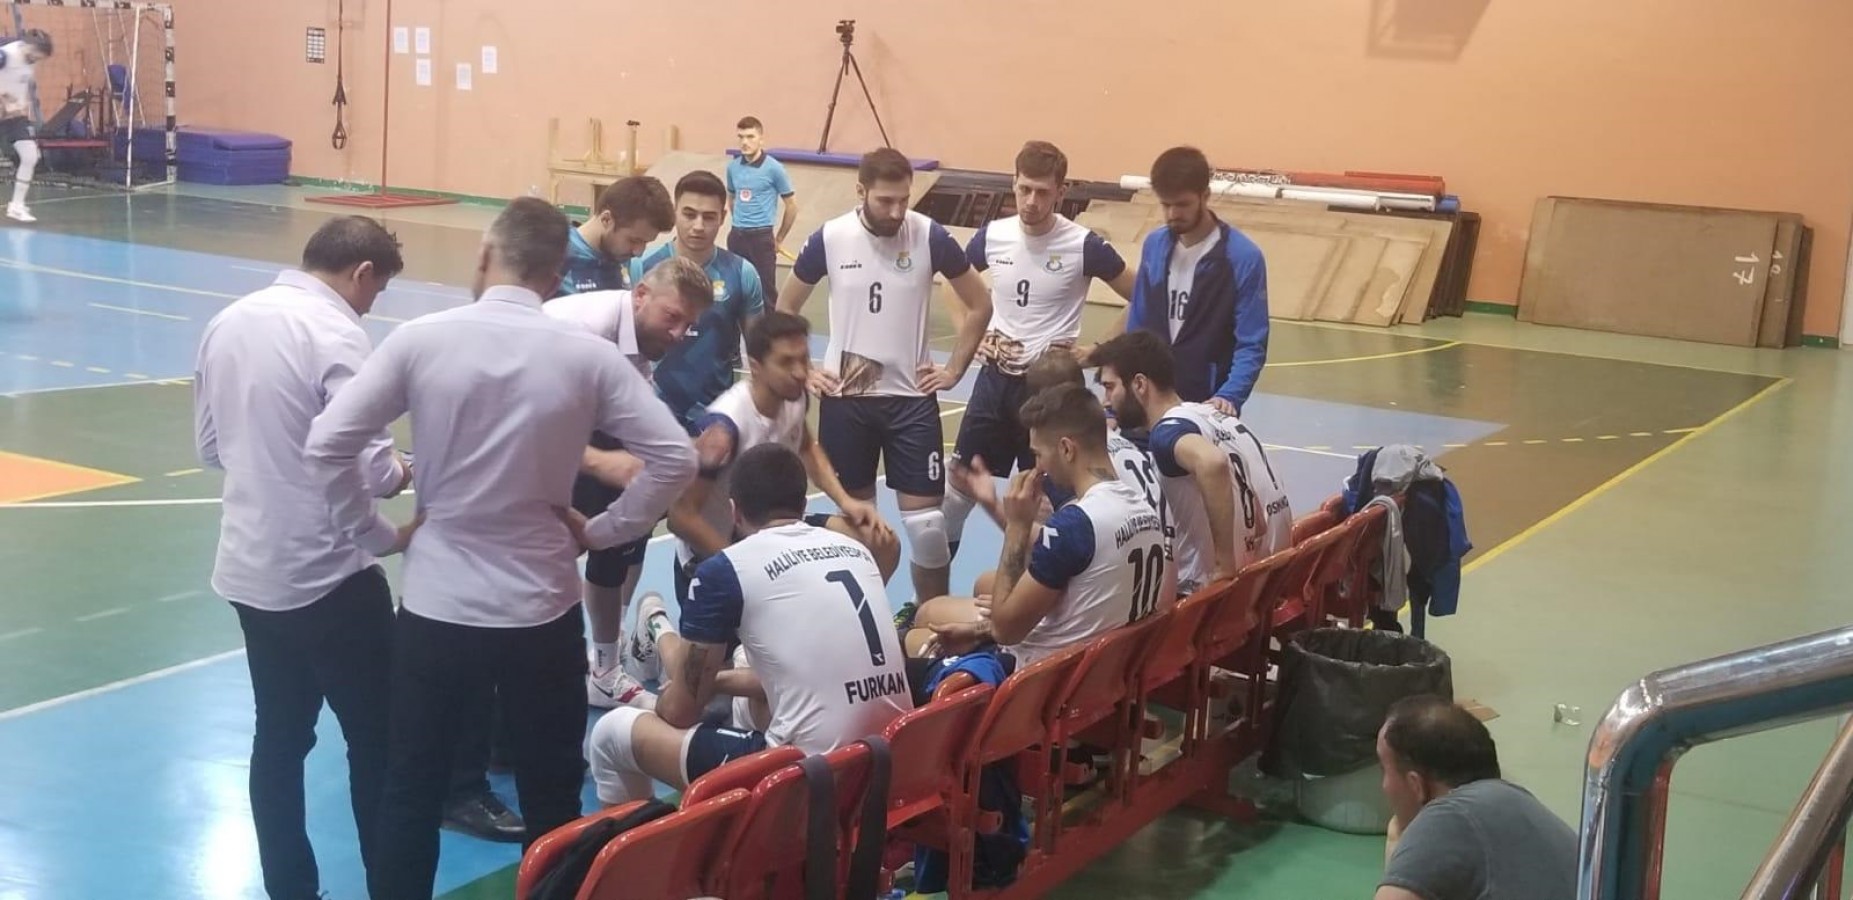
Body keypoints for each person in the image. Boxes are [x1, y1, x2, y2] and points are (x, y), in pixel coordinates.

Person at [303, 197, 698, 900]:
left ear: (486, 255)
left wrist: (374, 534)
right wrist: (603, 530)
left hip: (437, 609)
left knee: (411, 791)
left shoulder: (421, 339)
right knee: (552, 798)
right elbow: (675, 457)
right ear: (556, 274)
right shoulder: (586, 356)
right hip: (540, 613)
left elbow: (327, 444)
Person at [193, 216, 413, 900]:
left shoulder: (228, 321)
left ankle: (290, 889)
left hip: (251, 570)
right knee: (378, 742)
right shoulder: (337, 333)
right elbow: (374, 469)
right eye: (376, 291)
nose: (370, 306)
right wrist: (408, 470)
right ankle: (390, 888)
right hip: (330, 575)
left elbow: (209, 447)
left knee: (279, 741)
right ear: (362, 273)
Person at [586, 443, 913, 806]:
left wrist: (675, 694)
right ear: (802, 505)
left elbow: (680, 711)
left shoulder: (725, 570)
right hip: (894, 764)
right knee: (748, 684)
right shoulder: (857, 550)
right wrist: (718, 681)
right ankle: (656, 622)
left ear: (734, 512)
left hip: (807, 784)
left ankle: (655, 622)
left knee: (610, 735)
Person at [776, 146, 994, 604]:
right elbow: (786, 307)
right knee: (862, 532)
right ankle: (863, 620)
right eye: (885, 201)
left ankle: (928, 623)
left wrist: (954, 368)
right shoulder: (831, 237)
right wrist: (805, 369)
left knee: (929, 530)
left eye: (904, 200)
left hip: (911, 401)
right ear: (861, 192)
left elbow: (980, 303)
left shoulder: (929, 235)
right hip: (847, 402)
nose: (897, 212)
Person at [943, 140, 1137, 561]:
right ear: (1013, 183)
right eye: (1024, 189)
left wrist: (1098, 350)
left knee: (1050, 503)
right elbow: (951, 285)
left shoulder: (1083, 244)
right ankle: (930, 591)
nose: (1031, 201)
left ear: (1061, 192)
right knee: (956, 491)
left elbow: (1142, 294)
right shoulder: (993, 236)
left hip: (1052, 390)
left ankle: (1044, 591)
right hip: (996, 384)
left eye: (1042, 192)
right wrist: (971, 335)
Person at [543, 258, 715, 709]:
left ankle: (604, 665)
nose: (678, 334)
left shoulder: (637, 339)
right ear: (640, 295)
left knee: (620, 533)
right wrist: (601, 462)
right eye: (672, 317)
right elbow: (527, 418)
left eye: (688, 325)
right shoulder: (582, 333)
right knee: (547, 553)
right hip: (522, 437)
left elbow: (635, 402)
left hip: (573, 427)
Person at [906, 383, 1170, 667]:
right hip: (1109, 666)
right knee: (973, 593)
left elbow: (1005, 630)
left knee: (919, 628)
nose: (1038, 466)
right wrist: (979, 629)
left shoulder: (1073, 526)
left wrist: (1017, 527)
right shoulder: (1143, 509)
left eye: (1039, 454)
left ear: (1066, 449)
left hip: (1044, 675)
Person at [667, 310, 899, 604]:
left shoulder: (794, 397)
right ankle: (655, 622)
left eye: (804, 359)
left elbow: (807, 446)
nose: (800, 372)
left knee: (882, 543)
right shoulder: (723, 431)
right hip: (719, 552)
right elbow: (680, 517)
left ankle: (859, 616)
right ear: (756, 367)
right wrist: (739, 565)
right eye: (786, 362)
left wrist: (845, 501)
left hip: (775, 534)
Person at [1091, 330, 1289, 596]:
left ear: (1139, 384)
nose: (1106, 401)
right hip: (1263, 581)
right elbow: (1259, 520)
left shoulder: (1167, 434)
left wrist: (1224, 565)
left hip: (1203, 597)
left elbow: (1212, 463)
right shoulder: (1215, 415)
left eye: (1109, 387)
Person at [1105, 146, 1269, 416]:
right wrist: (1118, 401)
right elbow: (1137, 327)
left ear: (1205, 195)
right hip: (1146, 404)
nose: (1172, 214)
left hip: (1205, 406)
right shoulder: (1154, 245)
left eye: (1182, 205)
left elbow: (1251, 343)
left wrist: (1229, 395)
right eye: (1165, 205)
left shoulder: (1243, 257)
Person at [1376, 695, 1578, 900]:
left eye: (1384, 770)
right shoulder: (1514, 806)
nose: (1383, 787)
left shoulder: (1448, 818)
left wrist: (1398, 844)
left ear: (1416, 786)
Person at [630, 169, 767, 430]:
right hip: (649, 412)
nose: (698, 226)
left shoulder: (742, 273)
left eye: (709, 217)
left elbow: (760, 351)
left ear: (723, 217)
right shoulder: (641, 266)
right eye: (689, 214)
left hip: (715, 416)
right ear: (675, 212)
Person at [560, 175, 675, 295]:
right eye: (634, 240)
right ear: (606, 219)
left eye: (645, 242)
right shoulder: (556, 255)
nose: (639, 253)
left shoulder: (623, 261)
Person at [725, 116, 798, 295]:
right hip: (737, 236)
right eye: (741, 137)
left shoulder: (774, 168)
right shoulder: (732, 168)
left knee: (766, 291)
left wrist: (779, 239)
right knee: (736, 289)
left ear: (761, 139)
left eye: (750, 137)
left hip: (761, 238)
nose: (745, 142)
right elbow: (732, 198)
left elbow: (791, 206)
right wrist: (739, 223)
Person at [0, 29, 52, 224]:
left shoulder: (30, 62)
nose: (38, 60)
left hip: (14, 117)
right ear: (30, 46)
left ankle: (16, 206)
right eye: (38, 55)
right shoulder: (5, 56)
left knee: (30, 155)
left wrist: (20, 105)